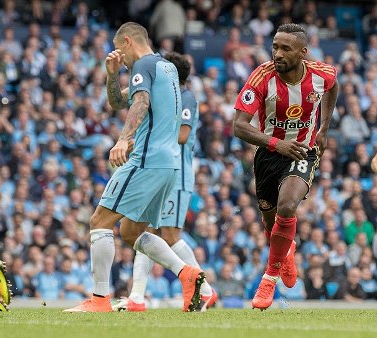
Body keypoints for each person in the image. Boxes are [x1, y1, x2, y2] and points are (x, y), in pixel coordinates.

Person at [64, 22, 205, 313]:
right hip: (169, 166)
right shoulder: (166, 68)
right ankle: (188, 274)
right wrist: (112, 74)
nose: (123, 60)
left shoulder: (143, 64)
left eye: (120, 53)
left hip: (146, 159)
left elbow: (140, 101)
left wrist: (122, 139)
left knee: (99, 222)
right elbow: (118, 101)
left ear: (127, 42)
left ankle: (100, 300)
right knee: (130, 232)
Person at [233, 23, 338, 310]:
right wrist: (276, 144)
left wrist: (324, 128)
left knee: (288, 206)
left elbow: (333, 87)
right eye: (275, 47)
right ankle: (286, 251)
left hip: (303, 152)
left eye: (285, 49)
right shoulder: (262, 76)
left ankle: (269, 279)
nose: (277, 53)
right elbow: (238, 127)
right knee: (271, 228)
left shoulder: (321, 73)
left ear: (303, 53)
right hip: (269, 156)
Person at [113, 52, 217, 312]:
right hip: (161, 169)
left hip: (177, 174)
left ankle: (205, 290)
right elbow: (120, 100)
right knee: (143, 231)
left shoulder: (186, 98)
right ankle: (137, 297)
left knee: (169, 236)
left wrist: (146, 137)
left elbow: (182, 135)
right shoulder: (168, 96)